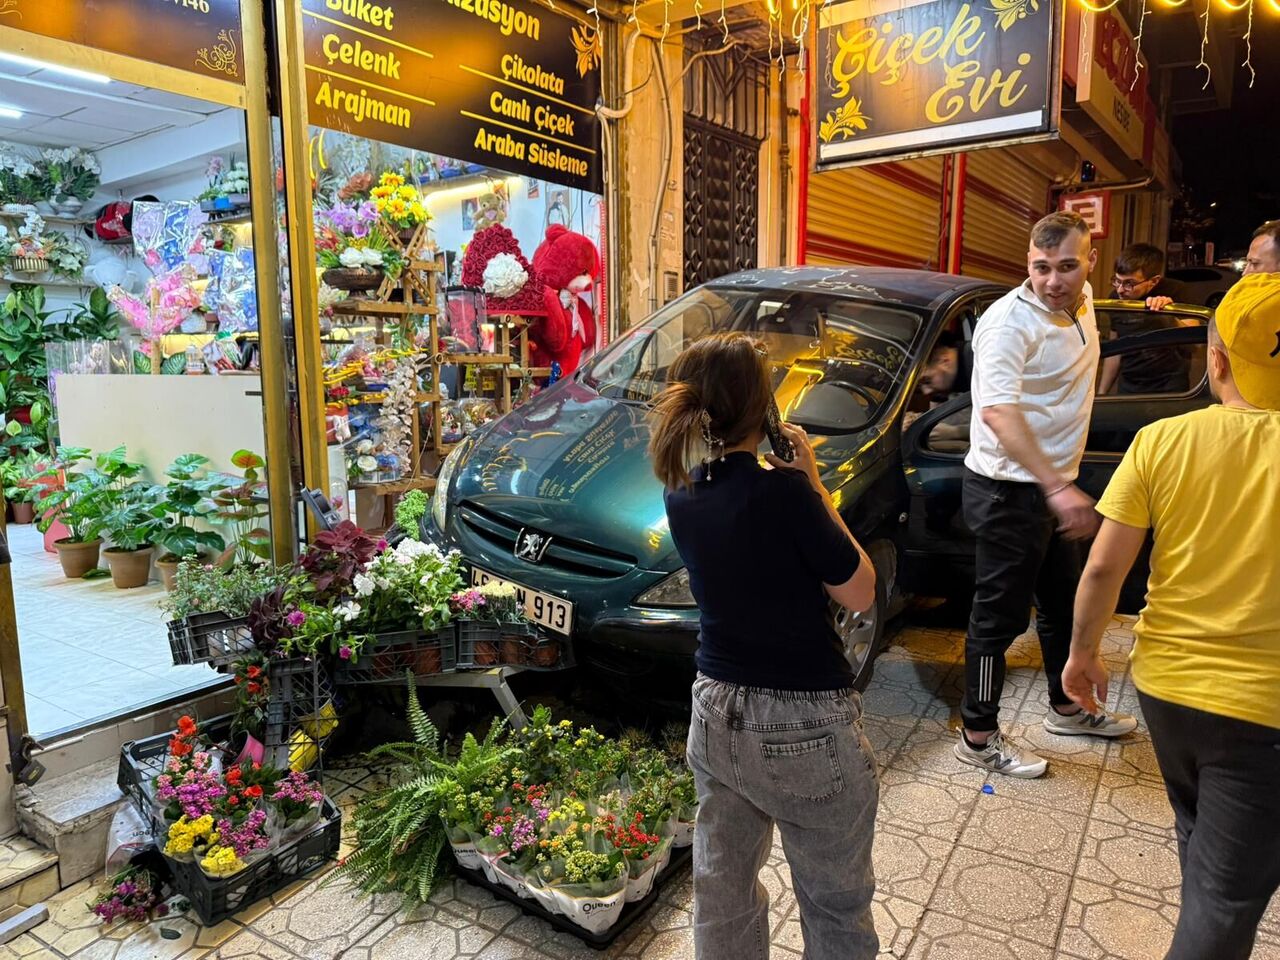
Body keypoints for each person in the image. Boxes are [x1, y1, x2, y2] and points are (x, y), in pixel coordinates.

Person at [1063, 272, 1280, 960]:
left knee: (1204, 843)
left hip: (1168, 690)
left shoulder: (1163, 441)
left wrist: (1083, 653)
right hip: (1263, 712)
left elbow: (1103, 567)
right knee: (1226, 899)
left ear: (1215, 359)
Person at [651, 332, 880, 960]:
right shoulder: (786, 494)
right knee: (835, 903)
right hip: (805, 719)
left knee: (722, 892)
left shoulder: (682, 491)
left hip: (715, 710)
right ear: (764, 408)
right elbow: (860, 591)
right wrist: (814, 487)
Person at [955, 210, 1138, 780]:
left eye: (1066, 266)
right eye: (1040, 268)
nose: (1053, 280)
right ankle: (977, 737)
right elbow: (997, 412)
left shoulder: (1082, 306)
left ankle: (1066, 708)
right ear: (1026, 264)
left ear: (1090, 263)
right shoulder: (1009, 323)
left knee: (1063, 608)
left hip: (1050, 491)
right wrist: (1059, 486)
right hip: (1007, 492)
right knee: (997, 621)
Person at [1099, 244, 1195, 396]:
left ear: (1154, 281)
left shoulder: (1176, 291)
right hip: (1129, 385)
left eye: (1129, 283)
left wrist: (1169, 314)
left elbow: (1193, 345)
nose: (1120, 290)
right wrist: (1102, 393)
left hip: (1169, 387)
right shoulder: (1115, 298)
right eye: (1117, 281)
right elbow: (1115, 350)